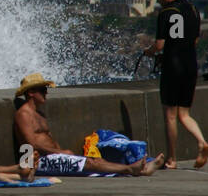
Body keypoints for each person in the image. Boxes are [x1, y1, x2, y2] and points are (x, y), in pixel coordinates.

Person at [12, 73, 164, 176]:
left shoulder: (40, 115)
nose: (46, 93)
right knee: (91, 163)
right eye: (42, 90)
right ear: (31, 92)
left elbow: (48, 140)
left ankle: (140, 169)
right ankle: (132, 169)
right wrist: (60, 153)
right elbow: (31, 144)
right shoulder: (23, 114)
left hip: (53, 157)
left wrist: (61, 152)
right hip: (38, 162)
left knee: (94, 161)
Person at [143, 0, 208, 168]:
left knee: (170, 115)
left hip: (173, 66)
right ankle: (201, 141)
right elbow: (195, 39)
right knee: (184, 114)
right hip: (190, 64)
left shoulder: (166, 12)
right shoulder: (193, 9)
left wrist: (149, 52)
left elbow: (160, 44)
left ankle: (172, 159)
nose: (158, 2)